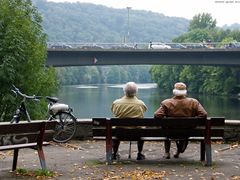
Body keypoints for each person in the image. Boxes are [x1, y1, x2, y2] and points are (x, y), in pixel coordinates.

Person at [154, 82, 207, 159]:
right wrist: (193, 119)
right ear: (185, 91)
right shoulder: (193, 102)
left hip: (170, 132)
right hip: (188, 132)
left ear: (174, 91)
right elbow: (204, 114)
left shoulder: (166, 103)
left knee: (165, 127)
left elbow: (157, 115)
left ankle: (167, 152)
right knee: (184, 129)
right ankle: (180, 150)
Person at [111, 82, 147, 160]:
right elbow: (144, 111)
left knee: (117, 129)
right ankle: (139, 153)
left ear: (124, 91)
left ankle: (114, 153)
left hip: (120, 133)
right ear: (136, 92)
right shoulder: (141, 104)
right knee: (141, 128)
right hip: (137, 134)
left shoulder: (116, 103)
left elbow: (113, 112)